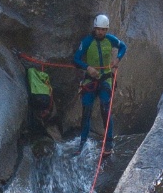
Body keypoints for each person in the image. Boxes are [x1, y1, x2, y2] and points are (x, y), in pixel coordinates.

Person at [71, 13, 127, 145]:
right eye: (98, 29)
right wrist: (88, 67)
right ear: (94, 28)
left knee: (105, 109)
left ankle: (108, 142)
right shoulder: (87, 41)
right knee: (87, 109)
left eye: (103, 30)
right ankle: (83, 141)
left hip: (106, 79)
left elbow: (123, 47)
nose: (100, 32)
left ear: (106, 30)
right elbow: (76, 59)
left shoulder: (110, 39)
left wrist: (117, 58)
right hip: (90, 79)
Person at [23, 62, 61, 142]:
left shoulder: (30, 71)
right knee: (44, 114)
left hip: (35, 95)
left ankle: (32, 131)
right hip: (44, 96)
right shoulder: (41, 77)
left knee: (35, 112)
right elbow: (46, 77)